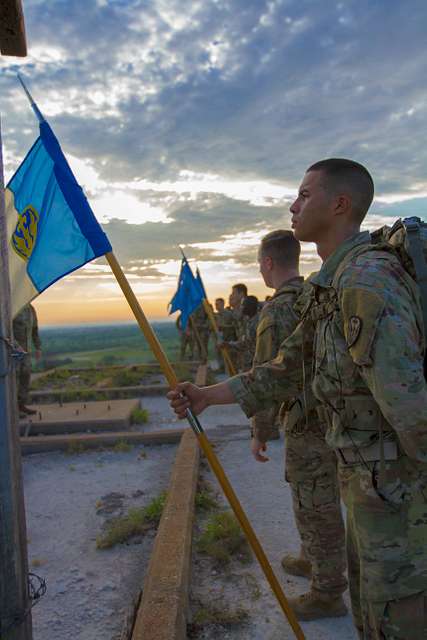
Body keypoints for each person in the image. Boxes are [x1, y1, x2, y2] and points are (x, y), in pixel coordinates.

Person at [168, 158, 427, 639]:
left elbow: (412, 409)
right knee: (371, 608)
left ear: (340, 205)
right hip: (367, 482)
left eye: (305, 195)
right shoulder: (328, 287)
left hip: (398, 489)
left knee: (399, 614)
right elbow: (286, 367)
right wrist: (208, 395)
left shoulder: (366, 282)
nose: (293, 204)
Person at [252, 229, 347, 618]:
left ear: (269, 263)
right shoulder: (317, 295)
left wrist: (260, 431)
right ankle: (312, 558)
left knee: (315, 505)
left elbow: (267, 375)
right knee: (319, 499)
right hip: (335, 416)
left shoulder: (276, 311)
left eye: (260, 263)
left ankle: (327, 594)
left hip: (307, 422)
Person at [13, 303, 42, 418]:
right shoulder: (13, 306)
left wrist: (38, 347)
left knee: (25, 377)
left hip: (26, 352)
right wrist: (15, 345)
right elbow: (6, 329)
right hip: (13, 351)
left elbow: (35, 330)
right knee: (14, 379)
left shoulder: (31, 309)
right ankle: (12, 409)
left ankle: (21, 405)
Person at [224, 295, 260, 371]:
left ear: (249, 306)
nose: (241, 307)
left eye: (243, 304)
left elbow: (246, 343)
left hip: (256, 363)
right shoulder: (250, 321)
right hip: (250, 361)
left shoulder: (257, 322)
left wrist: (229, 344)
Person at [214, 297, 236, 371]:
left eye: (218, 304)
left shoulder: (229, 314)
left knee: (229, 356)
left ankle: (230, 370)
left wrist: (225, 326)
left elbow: (234, 326)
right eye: (215, 304)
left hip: (228, 338)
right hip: (219, 338)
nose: (216, 306)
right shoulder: (215, 316)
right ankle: (221, 368)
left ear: (223, 304)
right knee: (218, 353)